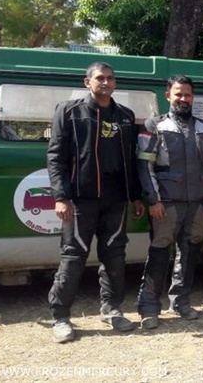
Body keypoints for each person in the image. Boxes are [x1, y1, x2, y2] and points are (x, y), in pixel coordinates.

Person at [46, 62, 145, 343]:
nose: (105, 82)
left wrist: (135, 195)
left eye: (110, 78)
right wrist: (61, 196)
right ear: (87, 81)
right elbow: (56, 157)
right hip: (79, 201)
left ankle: (112, 309)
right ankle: (61, 317)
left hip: (115, 201)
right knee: (73, 258)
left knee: (115, 256)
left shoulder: (125, 116)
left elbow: (131, 161)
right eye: (99, 78)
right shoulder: (69, 112)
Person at [135, 76, 203, 329]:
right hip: (166, 204)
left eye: (188, 95)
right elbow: (145, 165)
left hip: (198, 203)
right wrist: (153, 199)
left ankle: (181, 301)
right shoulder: (154, 125)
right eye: (178, 95)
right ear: (168, 96)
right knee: (160, 253)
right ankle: (149, 306)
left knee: (190, 253)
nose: (183, 99)